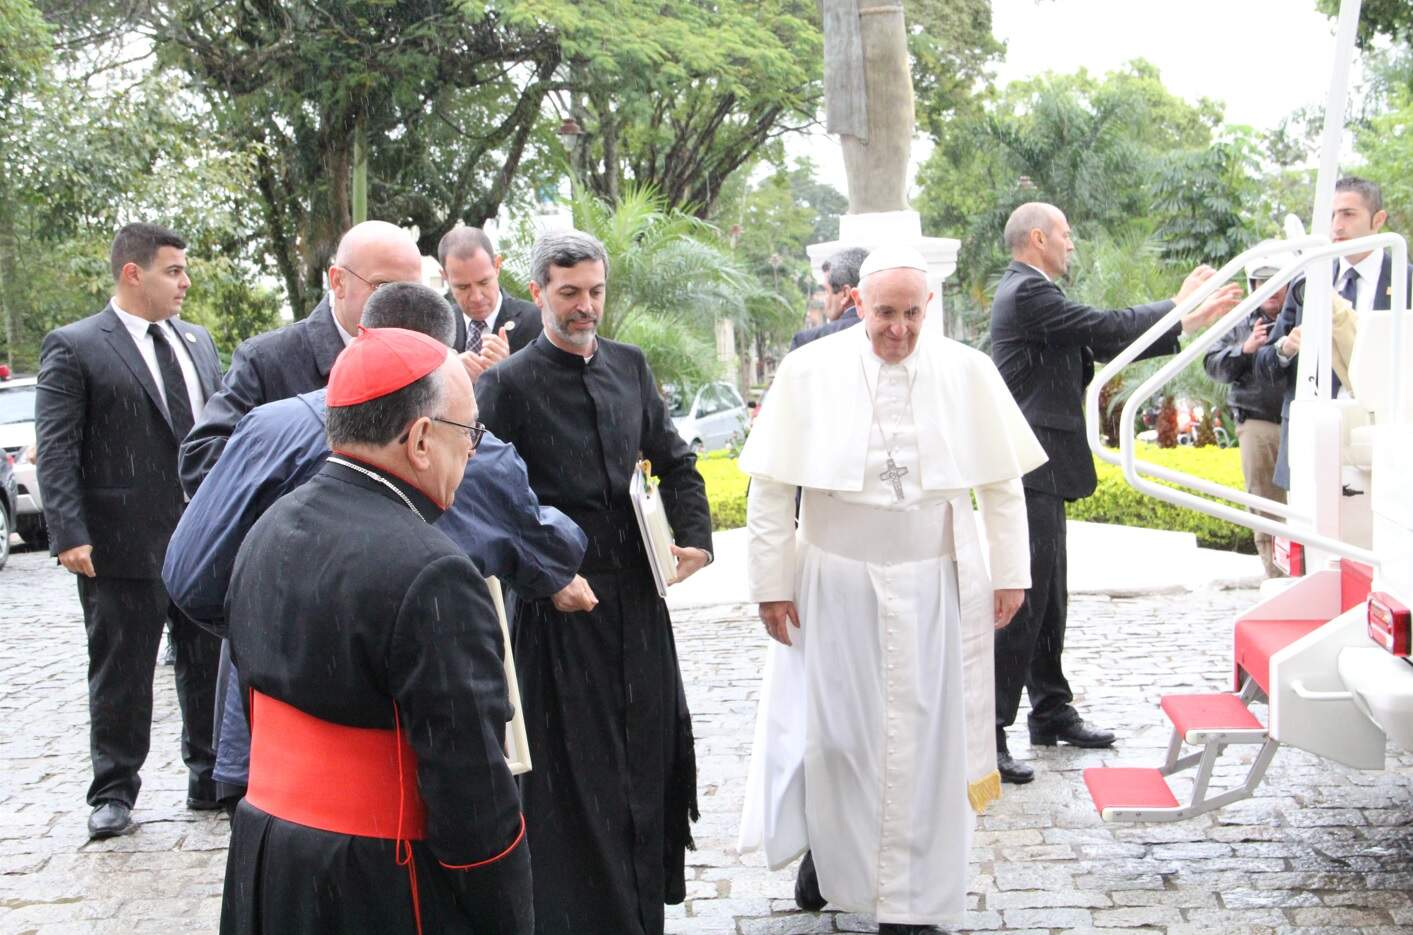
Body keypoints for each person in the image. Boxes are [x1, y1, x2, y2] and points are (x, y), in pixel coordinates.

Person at [163, 283, 592, 808]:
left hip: (268, 736)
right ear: (444, 358)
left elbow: (191, 576)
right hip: (397, 753)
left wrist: (284, 635)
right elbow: (547, 552)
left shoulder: (267, 427)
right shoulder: (474, 453)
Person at [737, 245, 1045, 934]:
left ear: (928, 308)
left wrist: (1009, 573)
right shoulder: (807, 370)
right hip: (833, 579)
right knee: (838, 737)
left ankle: (914, 899)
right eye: (884, 314)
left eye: (910, 314)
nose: (897, 330)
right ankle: (830, 848)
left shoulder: (967, 371)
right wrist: (769, 583)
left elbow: (1000, 485)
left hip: (935, 581)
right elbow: (771, 488)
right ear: (857, 304)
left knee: (927, 743)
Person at [222, 327, 530, 933]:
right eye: (469, 432)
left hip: (269, 857)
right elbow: (472, 797)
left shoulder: (268, 526)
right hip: (379, 884)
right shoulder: (435, 573)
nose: (472, 449)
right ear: (419, 439)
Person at [475, 230, 714, 935]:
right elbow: (481, 493)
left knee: (646, 756)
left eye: (595, 292)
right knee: (575, 780)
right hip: (557, 613)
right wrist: (547, 575)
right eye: (570, 293)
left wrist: (694, 537)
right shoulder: (506, 385)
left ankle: (641, 913)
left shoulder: (630, 367)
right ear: (540, 294)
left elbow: (674, 457)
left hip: (638, 602)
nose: (585, 308)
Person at [989, 202, 1241, 785]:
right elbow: (1103, 328)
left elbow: (1100, 342)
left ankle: (1050, 711)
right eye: (1066, 235)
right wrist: (1180, 309)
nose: (1071, 245)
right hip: (1027, 469)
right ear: (1037, 238)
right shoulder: (1027, 292)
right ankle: (988, 731)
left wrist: (1181, 316)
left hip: (1043, 467)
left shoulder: (1033, 291)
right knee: (1020, 604)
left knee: (1049, 598)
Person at [34, 223, 225, 838]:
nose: (185, 282)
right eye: (173, 270)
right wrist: (68, 532)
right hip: (118, 543)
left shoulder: (199, 342)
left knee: (206, 662)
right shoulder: (77, 345)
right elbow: (57, 448)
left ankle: (210, 773)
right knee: (121, 669)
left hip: (201, 536)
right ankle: (114, 790)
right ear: (132, 273)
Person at [179, 219, 424, 494]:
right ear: (338, 281)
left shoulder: (426, 363)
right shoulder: (266, 360)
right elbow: (200, 459)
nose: (400, 305)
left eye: (412, 292)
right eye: (382, 287)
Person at [1254, 176, 1413, 490]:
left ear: (1378, 220)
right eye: (1331, 215)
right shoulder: (1308, 280)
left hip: (1383, 443)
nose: (1336, 226)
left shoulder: (1405, 281)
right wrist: (1285, 348)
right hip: (1312, 442)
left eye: (1348, 214)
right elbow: (1263, 364)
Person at [1203, 251, 1294, 577]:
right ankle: (1276, 576)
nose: (1270, 290)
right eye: (1262, 282)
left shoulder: (1303, 315)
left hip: (1300, 421)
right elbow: (1213, 365)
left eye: (1276, 282)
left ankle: (1309, 577)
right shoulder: (1239, 322)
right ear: (1252, 285)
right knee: (1266, 508)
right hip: (1259, 423)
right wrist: (1245, 350)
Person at [438, 225, 543, 361]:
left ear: (497, 265)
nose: (476, 297)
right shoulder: (439, 328)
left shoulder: (537, 321)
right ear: (445, 276)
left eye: (484, 282)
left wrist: (508, 369)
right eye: (463, 287)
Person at [790, 247, 868, 350]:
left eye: (827, 291)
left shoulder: (806, 342)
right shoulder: (890, 336)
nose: (825, 301)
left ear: (845, 294)